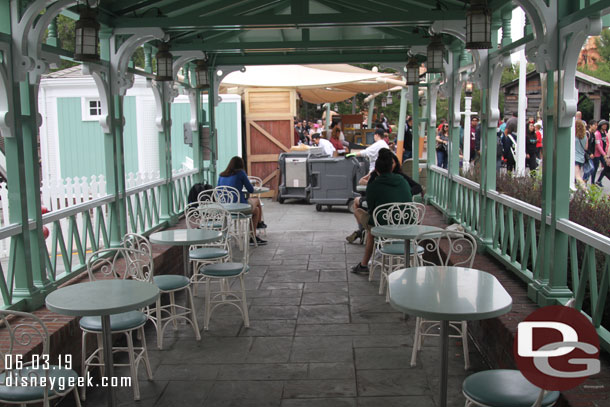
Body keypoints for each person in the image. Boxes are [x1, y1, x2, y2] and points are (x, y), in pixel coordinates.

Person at [351, 150, 412, 274]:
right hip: (407, 223)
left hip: (383, 225)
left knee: (363, 217)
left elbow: (372, 209)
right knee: (373, 227)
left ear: (377, 170)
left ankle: (364, 264)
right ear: (391, 167)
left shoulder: (374, 185)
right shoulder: (402, 180)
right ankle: (367, 259)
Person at [346, 150, 422, 243]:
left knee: (369, 223)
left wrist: (402, 193)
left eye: (392, 162)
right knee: (358, 202)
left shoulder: (399, 177)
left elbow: (371, 206)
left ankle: (364, 234)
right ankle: (362, 232)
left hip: (384, 219)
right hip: (406, 220)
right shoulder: (402, 180)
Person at [217, 156, 267, 246]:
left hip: (225, 208)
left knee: (256, 210)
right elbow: (251, 190)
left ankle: (257, 228)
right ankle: (257, 229)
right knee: (257, 200)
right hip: (238, 207)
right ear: (241, 165)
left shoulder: (221, 175)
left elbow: (217, 192)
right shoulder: (240, 173)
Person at [594, 120, 609, 187]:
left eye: (606, 125)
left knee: (606, 167)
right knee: (595, 168)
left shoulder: (605, 132)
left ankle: (599, 180)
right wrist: (604, 154)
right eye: (604, 125)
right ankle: (592, 182)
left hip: (604, 153)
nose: (605, 126)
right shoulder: (597, 133)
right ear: (600, 125)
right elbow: (598, 146)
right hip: (598, 154)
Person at [574, 119, 587, 184]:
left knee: (577, 176)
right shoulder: (585, 136)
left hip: (575, 158)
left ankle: (585, 192)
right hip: (581, 158)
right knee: (576, 176)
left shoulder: (574, 137)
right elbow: (586, 147)